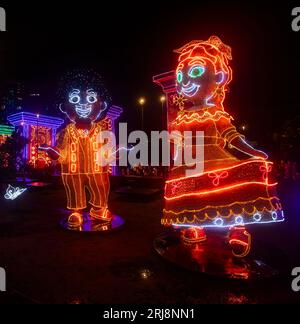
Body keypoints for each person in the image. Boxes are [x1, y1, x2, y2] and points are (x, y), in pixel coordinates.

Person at [163, 36, 284, 257]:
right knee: (192, 197)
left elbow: (232, 136)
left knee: (231, 190)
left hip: (214, 160)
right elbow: (176, 145)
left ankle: (237, 229)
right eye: (180, 75)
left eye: (196, 72)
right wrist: (174, 165)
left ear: (218, 76)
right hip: (188, 166)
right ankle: (195, 224)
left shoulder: (215, 113)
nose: (185, 80)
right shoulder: (180, 119)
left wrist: (253, 153)